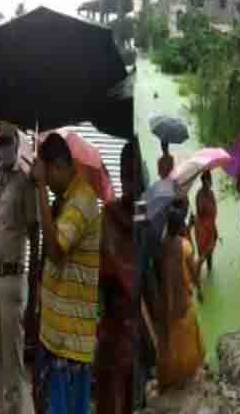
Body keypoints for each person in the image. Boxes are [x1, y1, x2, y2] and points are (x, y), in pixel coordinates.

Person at [30, 133, 102, 414]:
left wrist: (39, 190)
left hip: (70, 342)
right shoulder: (65, 199)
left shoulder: (83, 200)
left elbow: (56, 249)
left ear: (59, 166)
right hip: (54, 336)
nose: (46, 183)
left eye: (47, 176)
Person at [0, 123, 38, 414]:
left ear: (16, 142)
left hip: (13, 275)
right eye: (0, 140)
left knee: (13, 351)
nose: (3, 144)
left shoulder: (26, 180)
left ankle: (15, 407)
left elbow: (34, 232)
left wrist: (35, 278)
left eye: (8, 140)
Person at [95, 141, 139, 414]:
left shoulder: (150, 219)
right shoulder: (110, 215)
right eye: (125, 174)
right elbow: (106, 266)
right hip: (113, 331)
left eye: (134, 175)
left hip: (138, 335)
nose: (129, 182)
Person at [156, 197, 205, 392]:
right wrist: (200, 288)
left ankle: (174, 380)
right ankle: (188, 378)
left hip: (167, 306)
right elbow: (193, 273)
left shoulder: (160, 248)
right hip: (183, 303)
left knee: (172, 346)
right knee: (189, 344)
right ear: (180, 227)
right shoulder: (184, 246)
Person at [193, 170, 218, 276]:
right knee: (203, 253)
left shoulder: (211, 193)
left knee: (210, 252)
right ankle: (196, 274)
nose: (210, 182)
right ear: (204, 181)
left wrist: (215, 228)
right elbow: (199, 211)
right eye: (208, 180)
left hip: (211, 226)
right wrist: (204, 205)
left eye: (210, 180)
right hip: (202, 228)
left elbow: (214, 208)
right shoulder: (199, 194)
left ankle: (209, 272)